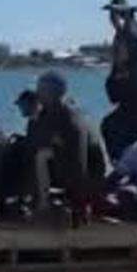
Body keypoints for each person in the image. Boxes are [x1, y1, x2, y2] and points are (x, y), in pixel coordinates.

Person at [28, 70, 107, 220]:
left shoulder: (72, 120)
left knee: (42, 156)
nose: (37, 93)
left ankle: (46, 205)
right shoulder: (44, 115)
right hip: (64, 167)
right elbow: (34, 142)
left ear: (54, 92)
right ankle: (34, 201)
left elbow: (81, 160)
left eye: (42, 90)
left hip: (86, 174)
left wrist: (80, 202)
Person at [103, 0, 137, 74]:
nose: (111, 17)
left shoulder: (132, 32)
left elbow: (128, 59)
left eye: (113, 13)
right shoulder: (125, 31)